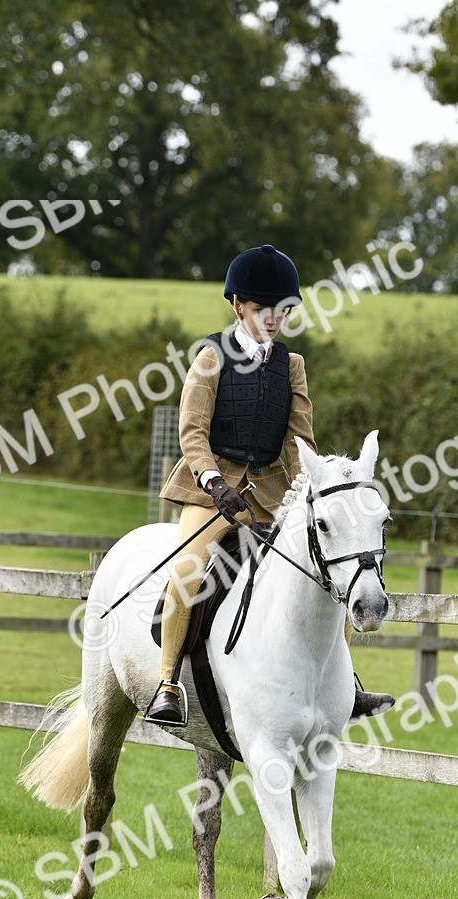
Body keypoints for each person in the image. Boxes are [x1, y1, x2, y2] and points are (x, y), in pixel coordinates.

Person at [144, 242, 393, 727]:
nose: (273, 319)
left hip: (275, 492)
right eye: (263, 309)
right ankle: (168, 683)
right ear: (239, 305)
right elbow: (192, 432)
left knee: (329, 568)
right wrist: (214, 481)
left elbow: (301, 440)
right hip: (213, 490)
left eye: (282, 310)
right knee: (186, 572)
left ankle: (347, 685)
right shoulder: (209, 358)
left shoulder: (291, 365)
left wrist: (313, 490)